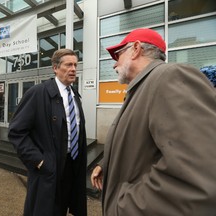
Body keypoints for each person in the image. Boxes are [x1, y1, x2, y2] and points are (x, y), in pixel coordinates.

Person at [91, 28, 216, 215]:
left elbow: (198, 177)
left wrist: (125, 206)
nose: (114, 64)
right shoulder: (142, 88)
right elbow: (143, 146)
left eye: (118, 55)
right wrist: (107, 164)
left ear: (135, 49)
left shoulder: (170, 76)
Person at [8, 49, 87, 216]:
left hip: (71, 169)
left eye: (75, 65)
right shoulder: (38, 93)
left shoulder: (75, 96)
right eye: (68, 65)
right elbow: (16, 132)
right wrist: (39, 161)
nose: (73, 69)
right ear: (55, 68)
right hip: (48, 170)